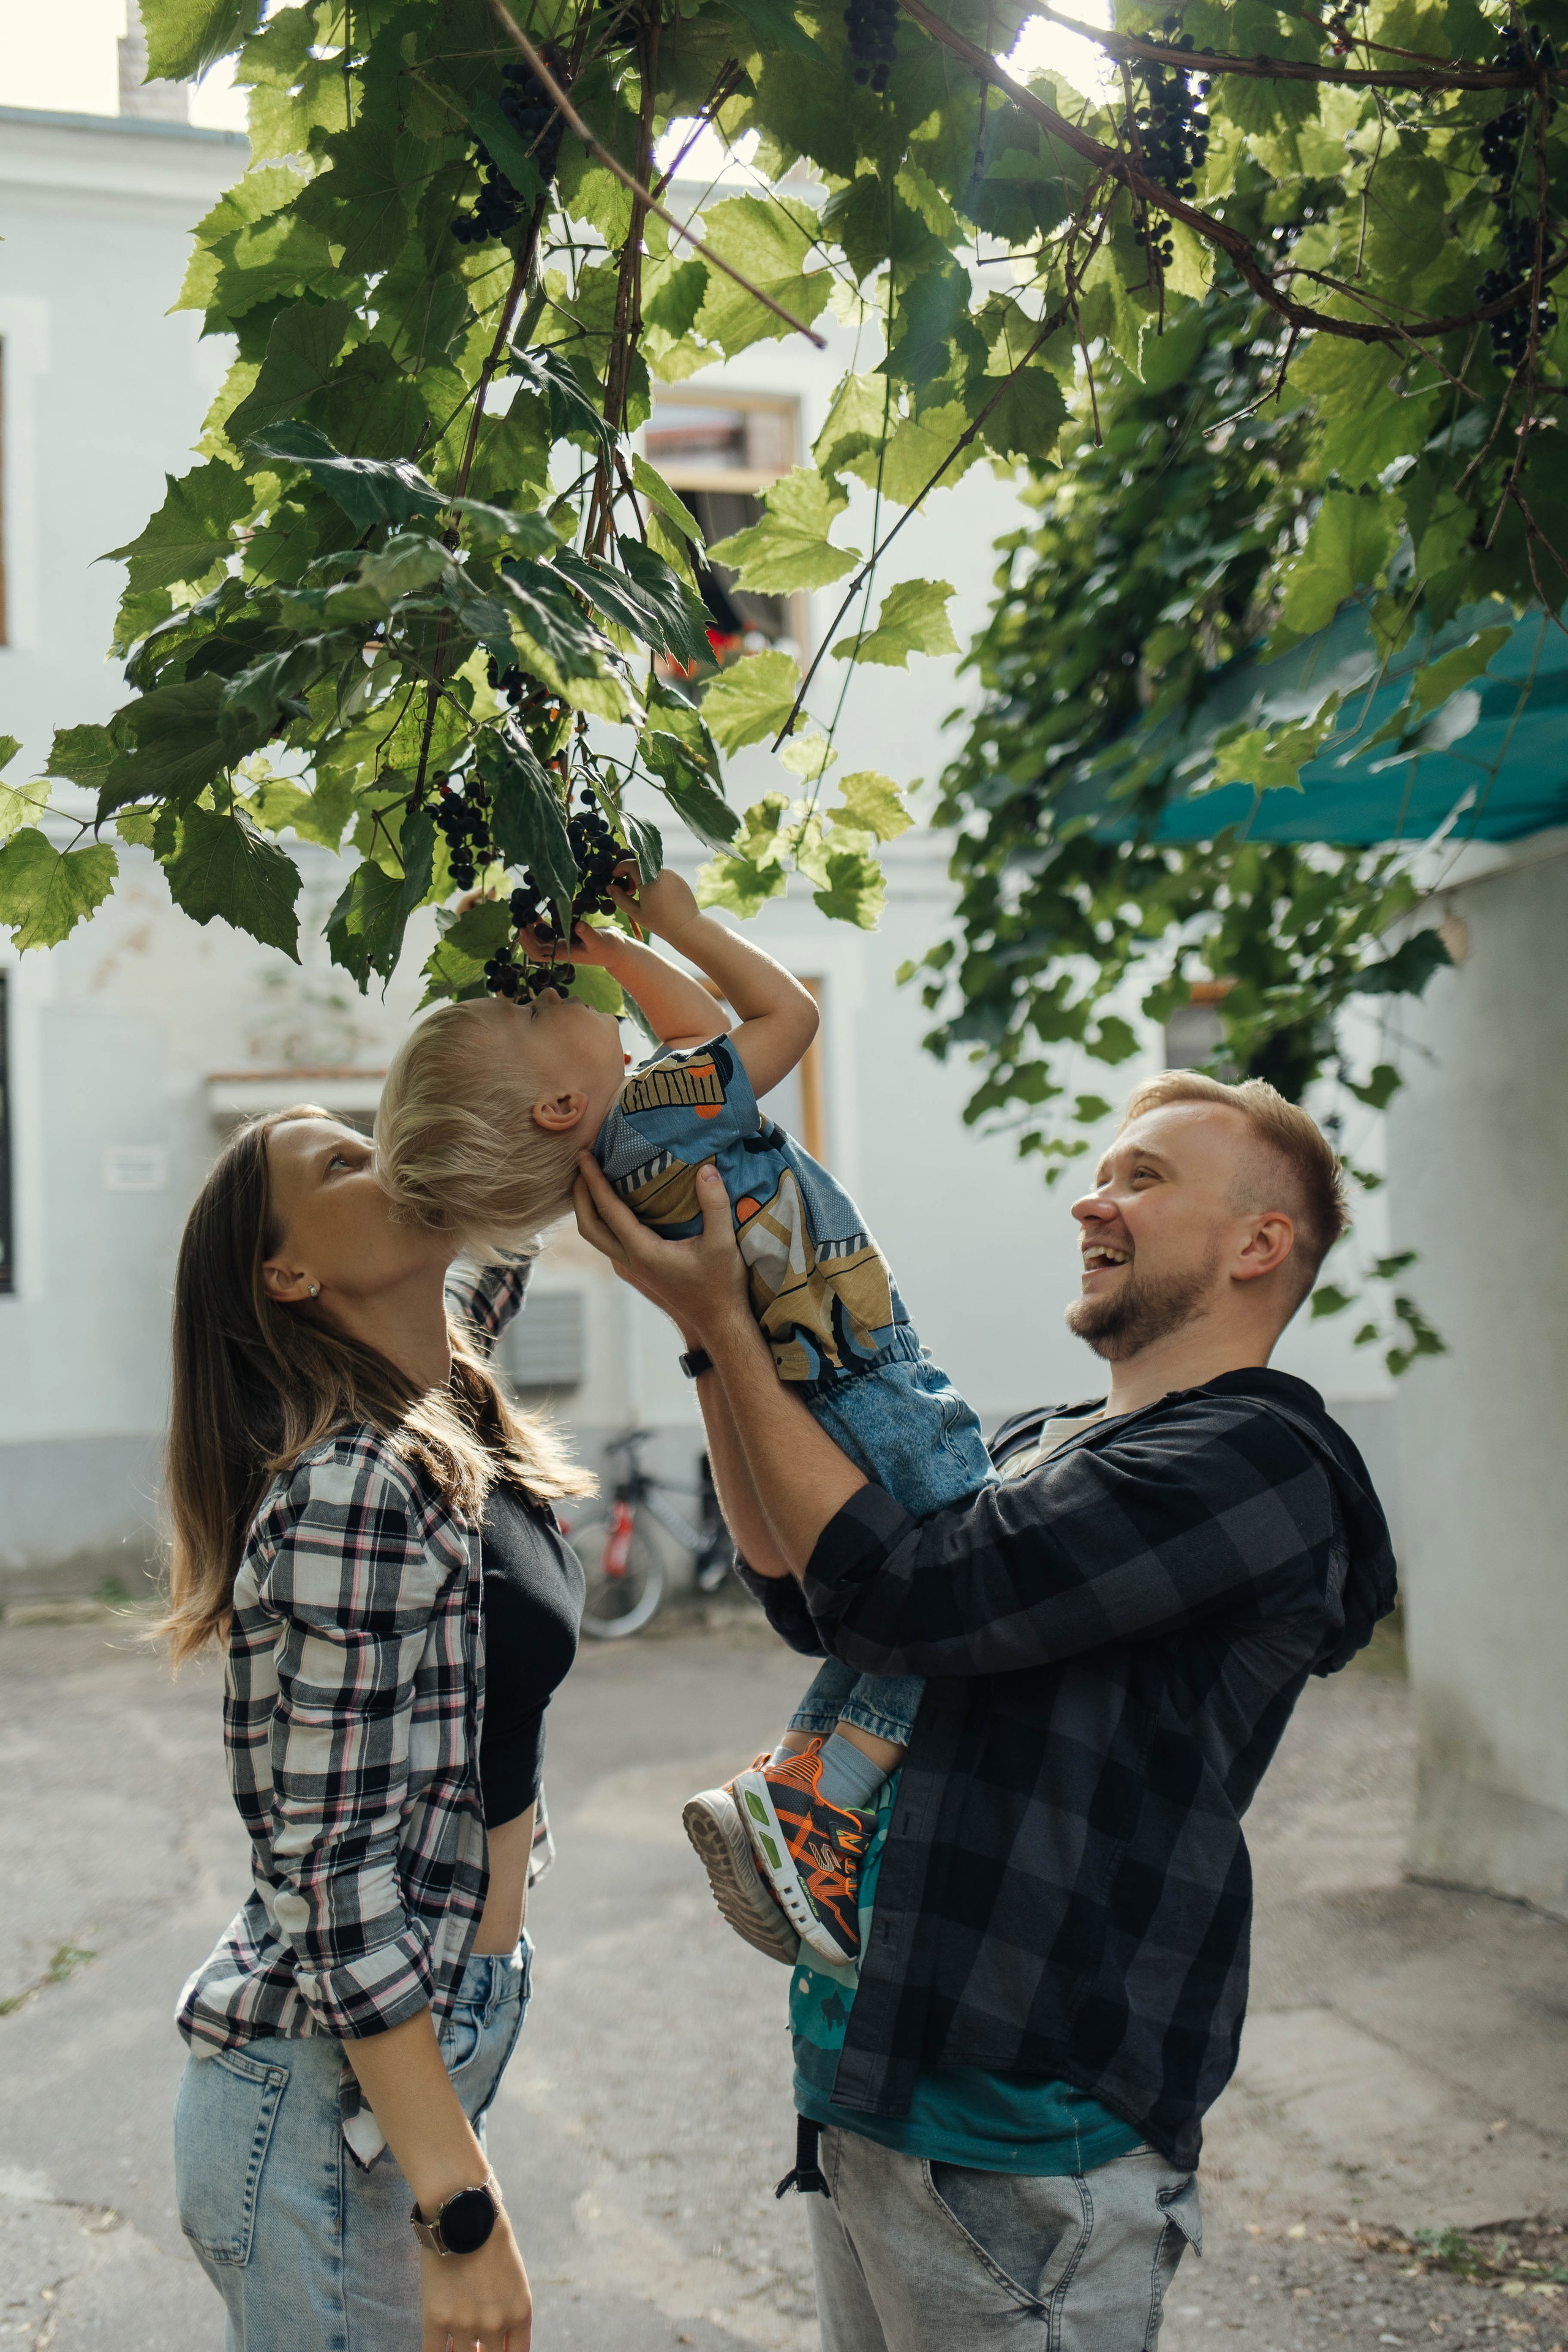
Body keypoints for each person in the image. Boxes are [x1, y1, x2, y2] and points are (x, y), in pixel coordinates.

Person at [571, 1068, 1398, 2351]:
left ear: (1258, 1244)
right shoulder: (1054, 1438)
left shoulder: (1252, 1461)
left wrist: (736, 1333)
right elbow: (816, 1595)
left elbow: (908, 1595)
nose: (1091, 1200)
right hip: (872, 2078)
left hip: (1024, 2128)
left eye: (1143, 1177)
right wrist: (703, 1345)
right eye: (1101, 1171)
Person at [374, 864, 995, 1968]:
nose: (550, 994)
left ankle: (790, 1780)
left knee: (882, 1613)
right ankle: (828, 1809)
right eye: (534, 1014)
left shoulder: (627, 1158)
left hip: (803, 1394)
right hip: (869, 1376)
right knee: (958, 1603)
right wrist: (670, 926)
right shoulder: (667, 1113)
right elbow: (779, 1018)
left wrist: (610, 963)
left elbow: (702, 1040)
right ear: (560, 1105)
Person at [164, 1104, 590, 2352]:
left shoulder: (446, 1399)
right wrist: (461, 2212)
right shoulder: (357, 1485)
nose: (382, 1156)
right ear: (287, 1275)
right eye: (342, 1163)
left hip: (429, 2031)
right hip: (319, 2101)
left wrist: (555, 957)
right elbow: (331, 1877)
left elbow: (525, 1141)